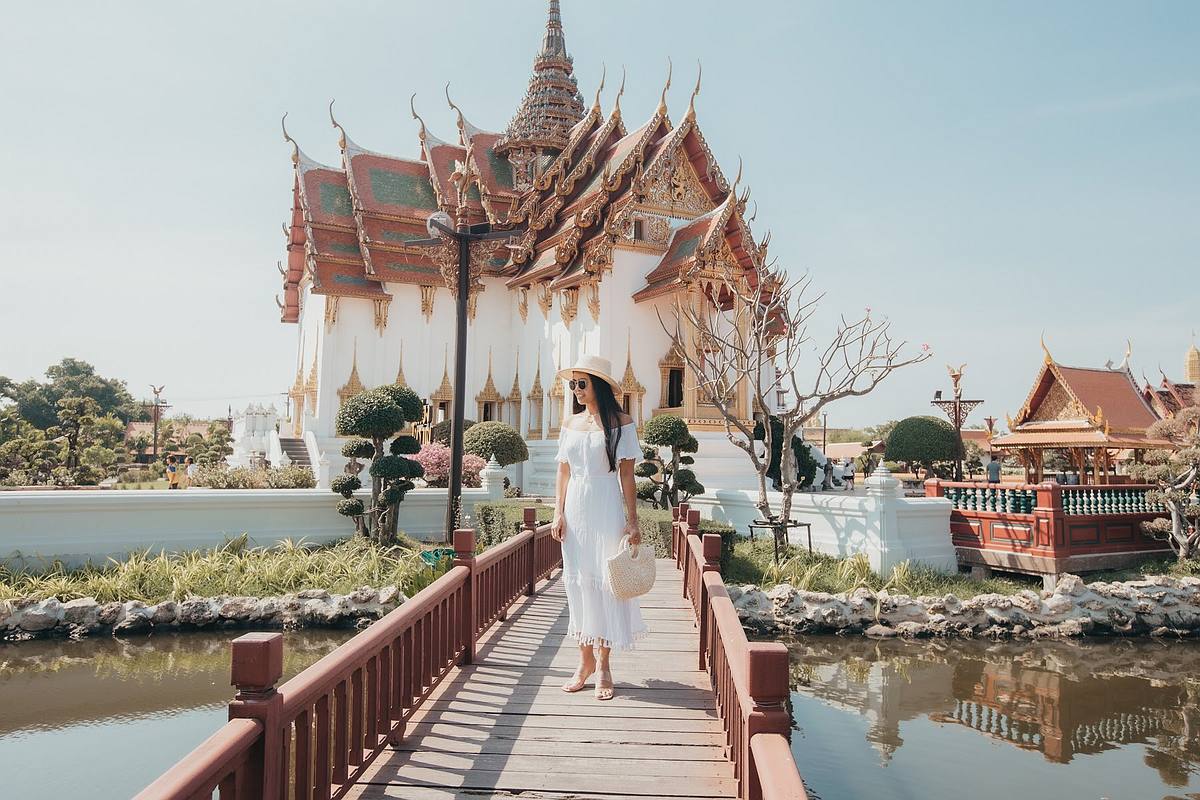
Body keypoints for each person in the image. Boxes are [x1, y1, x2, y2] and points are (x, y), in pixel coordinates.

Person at [552, 354, 646, 701]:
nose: (576, 390)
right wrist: (557, 513)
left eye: (582, 383)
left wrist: (632, 521)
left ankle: (604, 665)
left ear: (599, 386)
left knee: (606, 583)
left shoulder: (621, 423)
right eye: (572, 384)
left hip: (606, 505)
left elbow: (626, 475)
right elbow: (562, 471)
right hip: (575, 508)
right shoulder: (570, 425)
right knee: (577, 583)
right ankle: (584, 660)